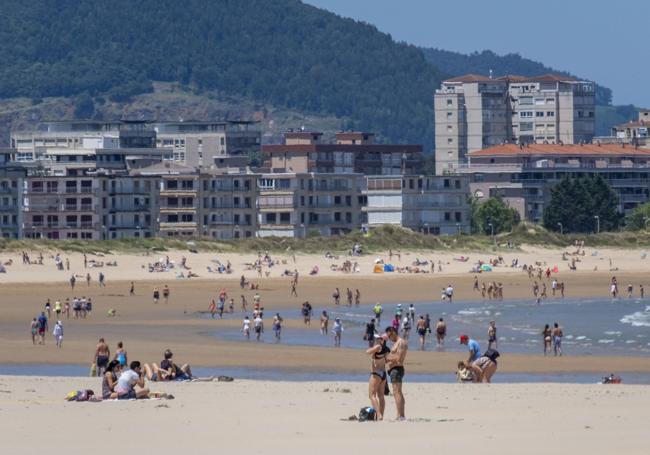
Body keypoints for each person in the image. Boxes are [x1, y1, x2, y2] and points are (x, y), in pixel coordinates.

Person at [385, 326, 407, 420]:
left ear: (393, 332)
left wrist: (386, 358)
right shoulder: (397, 343)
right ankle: (401, 415)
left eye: (389, 336)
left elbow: (399, 358)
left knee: (397, 392)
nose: (389, 338)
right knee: (398, 392)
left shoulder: (400, 342)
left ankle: (400, 416)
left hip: (397, 369)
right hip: (394, 369)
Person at [366, 334, 389, 420]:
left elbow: (367, 352)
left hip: (376, 373)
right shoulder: (386, 349)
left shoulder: (378, 347)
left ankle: (379, 415)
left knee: (372, 395)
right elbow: (386, 360)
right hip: (383, 373)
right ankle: (381, 415)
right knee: (381, 396)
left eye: (379, 338)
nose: (377, 339)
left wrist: (373, 347)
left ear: (382, 340)